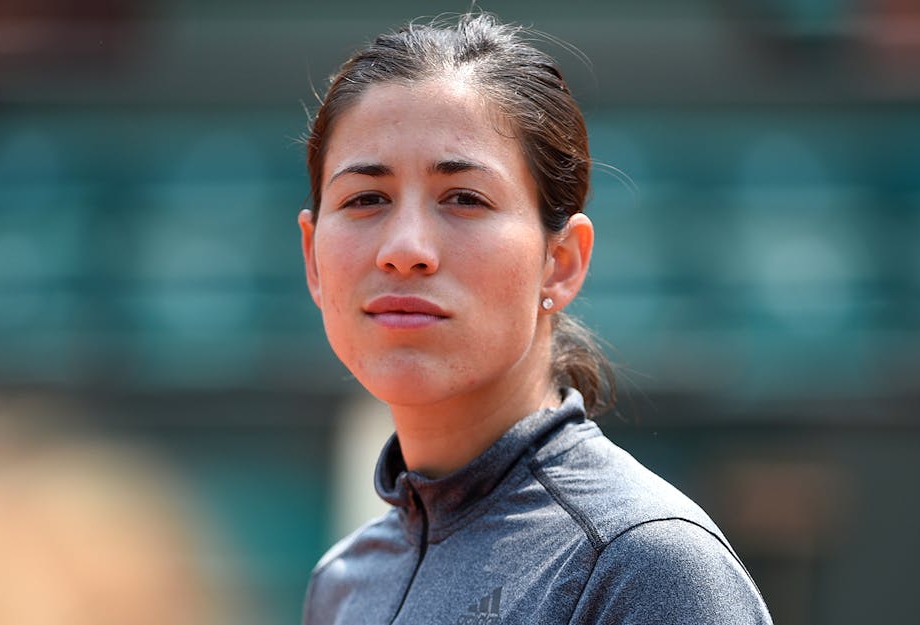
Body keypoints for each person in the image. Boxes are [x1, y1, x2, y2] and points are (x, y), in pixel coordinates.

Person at [297, 12, 773, 625]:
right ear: (312, 257)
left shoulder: (643, 564)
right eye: (366, 199)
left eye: (464, 199)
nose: (405, 247)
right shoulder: (343, 583)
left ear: (562, 263)